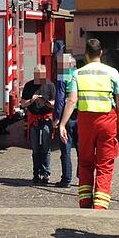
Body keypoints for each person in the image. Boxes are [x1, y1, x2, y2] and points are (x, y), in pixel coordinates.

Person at [59, 39, 119, 210]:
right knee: (105, 163)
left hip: (86, 121)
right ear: (101, 53)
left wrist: (62, 124)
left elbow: (71, 100)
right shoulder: (112, 72)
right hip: (107, 119)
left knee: (86, 162)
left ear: (86, 54)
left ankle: (85, 202)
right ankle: (100, 206)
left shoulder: (78, 74)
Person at [21, 65, 56, 185]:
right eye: (37, 76)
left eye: (41, 76)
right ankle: (36, 174)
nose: (39, 79)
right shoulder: (29, 85)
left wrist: (45, 102)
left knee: (46, 148)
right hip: (33, 119)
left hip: (46, 119)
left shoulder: (50, 85)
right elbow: (23, 104)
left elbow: (55, 104)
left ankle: (46, 173)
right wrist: (31, 100)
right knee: (35, 149)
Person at [53, 53, 79, 188]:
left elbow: (60, 97)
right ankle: (83, 178)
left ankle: (66, 179)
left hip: (66, 115)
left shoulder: (63, 75)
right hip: (81, 114)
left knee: (66, 149)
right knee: (81, 148)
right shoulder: (80, 74)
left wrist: (57, 117)